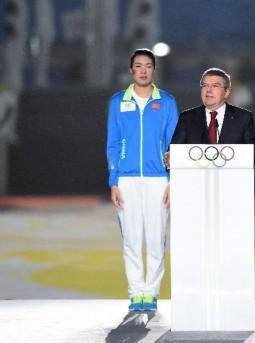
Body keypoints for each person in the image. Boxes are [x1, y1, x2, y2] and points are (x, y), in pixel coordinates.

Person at [106, 48, 178, 311]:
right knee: (132, 238)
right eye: (139, 65)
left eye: (149, 65)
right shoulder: (117, 102)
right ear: (131, 70)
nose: (144, 70)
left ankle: (152, 293)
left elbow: (173, 144)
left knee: (157, 236)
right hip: (126, 179)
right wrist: (114, 180)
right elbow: (113, 144)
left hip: (159, 179)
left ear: (154, 70)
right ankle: (137, 293)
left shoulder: (167, 102)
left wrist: (172, 180)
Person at [164, 67, 255, 174]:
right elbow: (174, 149)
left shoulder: (243, 118)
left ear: (226, 92)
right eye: (205, 86)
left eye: (215, 86)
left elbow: (252, 149)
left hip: (231, 181)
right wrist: (170, 158)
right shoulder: (187, 118)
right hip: (197, 181)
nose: (208, 90)